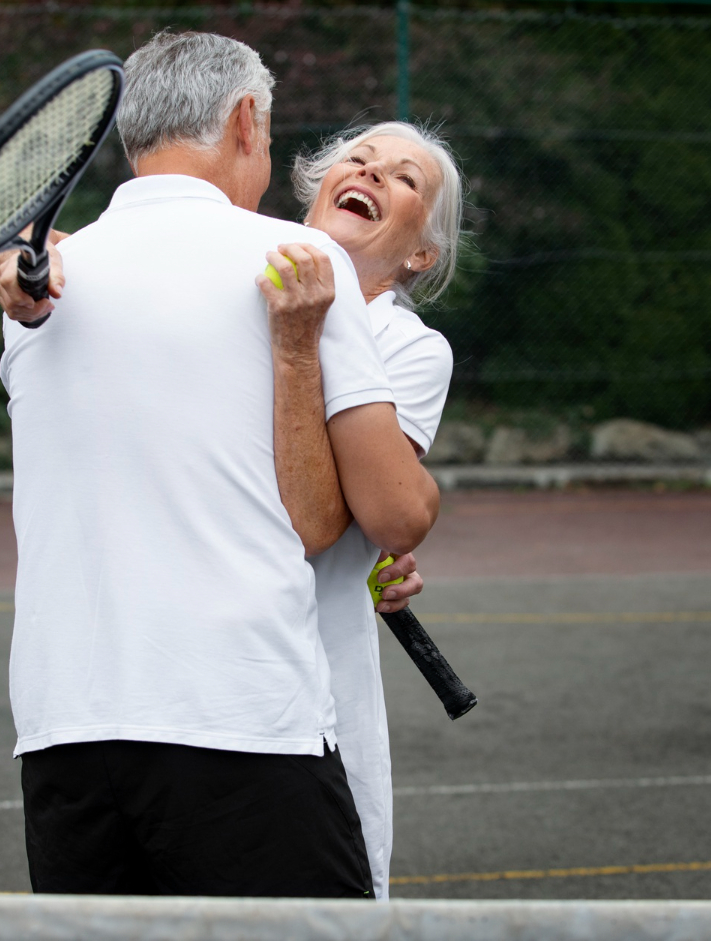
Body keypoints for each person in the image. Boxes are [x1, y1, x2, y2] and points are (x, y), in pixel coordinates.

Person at [0, 30, 439, 898]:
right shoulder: (300, 265)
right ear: (246, 121)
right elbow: (335, 523)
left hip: (62, 730)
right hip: (239, 718)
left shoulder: (41, 285)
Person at [261, 121, 464, 901]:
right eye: (358, 158)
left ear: (420, 254)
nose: (373, 173)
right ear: (315, 188)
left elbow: (376, 511)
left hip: (316, 690)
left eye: (405, 177)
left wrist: (379, 543)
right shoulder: (228, 281)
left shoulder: (408, 347)